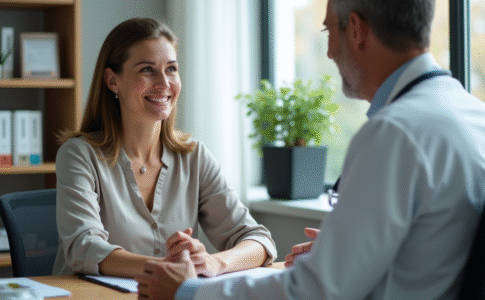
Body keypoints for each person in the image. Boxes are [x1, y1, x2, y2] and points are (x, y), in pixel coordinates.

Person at [135, 0, 485, 299]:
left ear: (357, 31)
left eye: (329, 31)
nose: (330, 50)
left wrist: (188, 291)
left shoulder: (394, 132)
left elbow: (314, 292)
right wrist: (343, 250)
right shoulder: (471, 115)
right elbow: (436, 251)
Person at [52, 18, 277, 278]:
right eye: (147, 70)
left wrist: (213, 263)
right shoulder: (79, 155)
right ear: (112, 80)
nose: (164, 82)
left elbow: (258, 240)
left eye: (171, 69)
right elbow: (84, 248)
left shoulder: (194, 157)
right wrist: (170, 268)